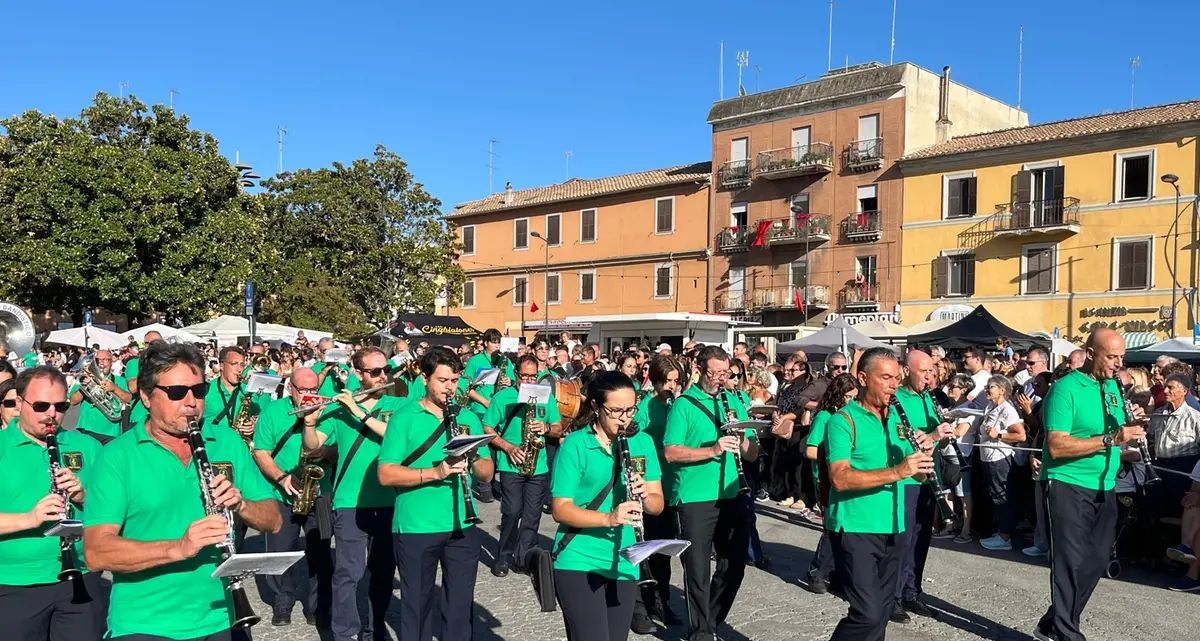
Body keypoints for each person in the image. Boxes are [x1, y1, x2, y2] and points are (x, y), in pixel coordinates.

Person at [83, 342, 282, 641]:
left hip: (223, 618)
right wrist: (178, 547)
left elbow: (275, 520)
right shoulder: (117, 456)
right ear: (146, 398)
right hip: (146, 625)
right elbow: (96, 552)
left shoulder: (225, 441)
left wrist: (241, 505)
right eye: (177, 393)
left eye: (199, 391)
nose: (191, 402)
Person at [377, 346, 495, 641]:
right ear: (425, 379)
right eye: (442, 381)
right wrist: (435, 472)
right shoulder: (404, 417)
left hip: (462, 525)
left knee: (459, 609)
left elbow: (487, 473)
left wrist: (474, 458)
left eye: (454, 381)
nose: (449, 388)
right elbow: (385, 473)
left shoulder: (467, 415)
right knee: (417, 607)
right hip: (417, 526)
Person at [1034, 328, 1145, 641]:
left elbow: (1117, 434)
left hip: (1104, 484)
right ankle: (1067, 633)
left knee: (1096, 562)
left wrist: (1132, 425)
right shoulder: (1065, 389)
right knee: (1069, 562)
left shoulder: (1111, 388)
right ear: (1092, 353)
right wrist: (1111, 438)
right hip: (1067, 483)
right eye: (1112, 357)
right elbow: (1056, 445)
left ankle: (1051, 622)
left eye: (1121, 358)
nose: (1117, 364)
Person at [825, 347, 933, 641]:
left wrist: (924, 457)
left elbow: (918, 475)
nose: (893, 385)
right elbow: (839, 478)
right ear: (862, 378)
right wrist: (897, 471)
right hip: (856, 526)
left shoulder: (899, 420)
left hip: (895, 525)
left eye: (897, 378)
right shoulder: (842, 421)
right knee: (867, 613)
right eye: (885, 378)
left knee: (883, 612)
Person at [550, 371, 665, 641]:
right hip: (579, 558)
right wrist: (609, 518)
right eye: (615, 411)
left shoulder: (643, 442)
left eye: (630, 409)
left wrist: (645, 496)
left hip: (625, 559)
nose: (625, 418)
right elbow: (560, 509)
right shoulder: (576, 445)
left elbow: (657, 504)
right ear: (595, 407)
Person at [303, 346, 406, 641]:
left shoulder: (398, 405)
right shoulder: (338, 410)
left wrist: (358, 411)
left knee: (383, 573)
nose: (382, 376)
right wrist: (309, 423)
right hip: (350, 502)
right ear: (358, 374)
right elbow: (312, 448)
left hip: (389, 500)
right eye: (374, 372)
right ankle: (345, 633)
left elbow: (395, 437)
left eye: (384, 370)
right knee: (347, 574)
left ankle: (375, 630)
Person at [0, 366, 104, 640]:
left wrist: (83, 496)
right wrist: (29, 519)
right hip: (14, 582)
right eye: (41, 405)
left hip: (81, 576)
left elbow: (113, 514)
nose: (52, 414)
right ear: (20, 403)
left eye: (61, 406)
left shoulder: (88, 446)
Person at [662, 346, 758, 641]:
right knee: (697, 570)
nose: (719, 379)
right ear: (699, 370)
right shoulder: (684, 405)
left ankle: (712, 620)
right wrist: (712, 450)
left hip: (733, 492)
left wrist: (743, 441)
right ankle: (701, 632)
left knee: (735, 566)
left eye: (724, 373)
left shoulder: (734, 401)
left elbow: (753, 454)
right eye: (714, 373)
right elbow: (670, 452)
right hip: (694, 497)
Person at [251, 366, 336, 627]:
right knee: (278, 551)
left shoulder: (329, 410)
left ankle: (316, 605)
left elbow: (340, 449)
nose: (309, 396)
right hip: (281, 492)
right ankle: (283, 599)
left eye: (314, 390)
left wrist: (327, 453)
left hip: (318, 491)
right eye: (303, 390)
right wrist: (282, 477)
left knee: (320, 551)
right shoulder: (274, 412)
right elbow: (261, 452)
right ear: (291, 388)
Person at [482, 355, 563, 576]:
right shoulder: (503, 397)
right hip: (511, 463)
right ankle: (504, 555)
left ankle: (523, 557)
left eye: (532, 376)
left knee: (532, 515)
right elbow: (487, 427)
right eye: (524, 375)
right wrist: (507, 447)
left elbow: (558, 427)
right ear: (516, 375)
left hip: (538, 466)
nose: (528, 380)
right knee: (512, 511)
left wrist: (546, 429)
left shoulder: (546, 398)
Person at [889, 350, 954, 623]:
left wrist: (945, 435)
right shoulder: (895, 401)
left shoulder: (929, 398)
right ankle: (891, 596)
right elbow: (903, 441)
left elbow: (939, 443)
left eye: (932, 371)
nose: (929, 377)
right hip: (906, 480)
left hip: (930, 476)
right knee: (902, 541)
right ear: (906, 370)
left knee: (921, 537)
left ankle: (911, 591)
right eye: (923, 371)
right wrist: (932, 435)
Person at [630, 356, 683, 629]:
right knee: (643, 547)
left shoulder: (678, 405)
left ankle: (662, 602)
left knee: (663, 551)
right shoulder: (642, 408)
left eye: (675, 381)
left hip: (672, 487)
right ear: (656, 380)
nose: (671, 387)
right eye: (667, 381)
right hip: (649, 485)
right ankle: (639, 607)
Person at [802, 373, 857, 594]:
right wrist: (836, 457)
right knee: (832, 529)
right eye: (848, 396)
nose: (851, 401)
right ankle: (816, 570)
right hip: (825, 479)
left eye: (855, 397)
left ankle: (837, 575)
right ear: (837, 394)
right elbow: (811, 449)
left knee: (845, 529)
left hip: (845, 477)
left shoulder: (848, 415)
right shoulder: (825, 416)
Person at [971, 376, 1026, 551]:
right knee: (993, 496)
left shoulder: (1007, 410)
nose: (987, 389)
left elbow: (1021, 435)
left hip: (999, 459)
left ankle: (1005, 537)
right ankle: (1000, 531)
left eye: (991, 387)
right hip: (987, 457)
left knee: (1002, 496)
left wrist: (1000, 435)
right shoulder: (990, 406)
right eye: (987, 386)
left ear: (1002, 390)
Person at [69, 349, 133, 444]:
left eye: (105, 359)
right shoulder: (84, 379)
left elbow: (130, 399)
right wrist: (83, 389)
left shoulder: (120, 380)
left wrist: (114, 388)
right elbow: (73, 402)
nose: (101, 363)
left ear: (111, 362)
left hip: (110, 430)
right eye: (98, 360)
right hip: (87, 428)